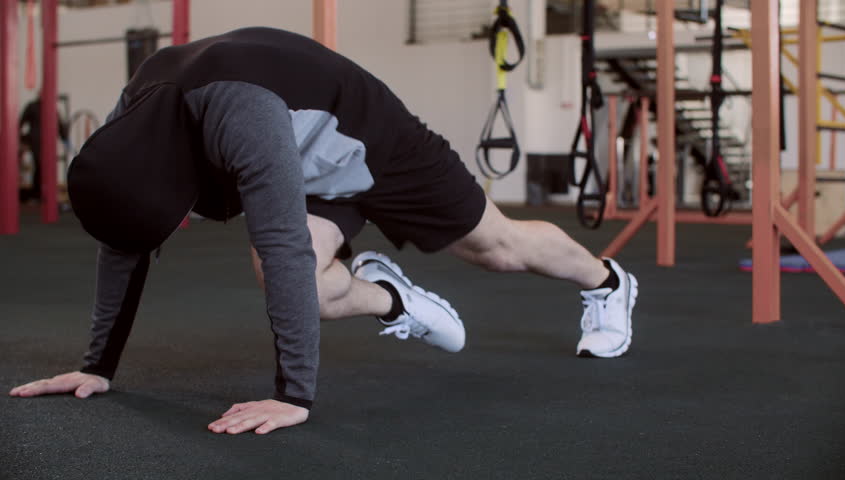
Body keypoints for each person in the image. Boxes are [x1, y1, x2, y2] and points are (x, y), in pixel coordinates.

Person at [8, 27, 638, 435]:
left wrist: (294, 396)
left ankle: (607, 283)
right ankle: (393, 297)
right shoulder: (130, 127)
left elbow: (281, 243)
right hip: (306, 165)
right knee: (300, 283)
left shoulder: (240, 115)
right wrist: (97, 366)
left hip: (376, 146)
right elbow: (122, 241)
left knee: (498, 249)